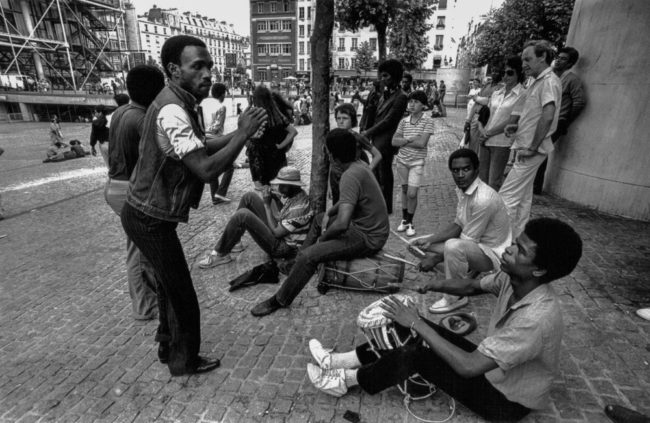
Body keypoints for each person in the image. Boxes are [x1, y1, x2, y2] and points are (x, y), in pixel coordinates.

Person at [307, 217, 582, 422]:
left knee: (417, 354)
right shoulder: (513, 278)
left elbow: (468, 367)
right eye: (515, 242)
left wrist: (415, 321)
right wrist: (434, 285)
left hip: (507, 401)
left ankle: (345, 381)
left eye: (520, 250)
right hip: (493, 368)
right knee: (420, 330)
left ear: (539, 270)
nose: (508, 250)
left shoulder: (537, 318)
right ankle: (337, 361)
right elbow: (472, 287)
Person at [120, 35, 267, 376]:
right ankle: (182, 361)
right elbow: (205, 168)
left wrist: (239, 132)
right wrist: (242, 135)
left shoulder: (180, 101)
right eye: (197, 66)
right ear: (174, 69)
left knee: (170, 288)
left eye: (209, 66)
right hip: (148, 217)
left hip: (147, 213)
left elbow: (204, 144)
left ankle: (166, 345)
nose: (208, 74)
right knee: (182, 294)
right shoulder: (173, 109)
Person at [250, 129, 389, 317]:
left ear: (332, 155)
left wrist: (324, 238)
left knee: (310, 256)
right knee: (318, 219)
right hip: (367, 228)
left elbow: (342, 224)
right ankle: (296, 262)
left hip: (368, 237)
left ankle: (280, 299)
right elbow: (348, 200)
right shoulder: (360, 164)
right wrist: (329, 212)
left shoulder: (350, 175)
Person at [410, 149, 511, 313]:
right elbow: (458, 224)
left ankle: (455, 295)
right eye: (455, 170)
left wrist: (435, 258)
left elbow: (464, 242)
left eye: (466, 169)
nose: (460, 175)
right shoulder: (463, 190)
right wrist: (431, 240)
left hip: (492, 256)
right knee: (414, 245)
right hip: (475, 245)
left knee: (453, 247)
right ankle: (462, 275)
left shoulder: (483, 199)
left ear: (476, 170)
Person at [105, 65, 166, 322]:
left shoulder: (121, 112)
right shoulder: (142, 119)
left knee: (139, 247)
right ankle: (144, 307)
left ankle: (149, 300)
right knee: (139, 250)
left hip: (115, 185)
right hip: (128, 189)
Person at [501, 40, 562, 238]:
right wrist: (515, 126)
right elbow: (534, 114)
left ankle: (498, 245)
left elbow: (548, 115)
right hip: (526, 146)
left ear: (542, 57)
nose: (524, 64)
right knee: (522, 199)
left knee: (506, 198)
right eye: (523, 60)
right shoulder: (538, 81)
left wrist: (533, 147)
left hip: (531, 149)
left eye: (528, 59)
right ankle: (515, 238)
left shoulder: (549, 81)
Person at [197, 166, 314, 269]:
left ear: (291, 186)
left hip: (283, 248)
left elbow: (277, 233)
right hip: (283, 234)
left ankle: (220, 254)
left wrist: (267, 205)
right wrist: (276, 198)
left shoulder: (298, 209)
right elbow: (282, 217)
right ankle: (234, 241)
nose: (279, 188)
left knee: (242, 215)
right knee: (249, 197)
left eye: (282, 186)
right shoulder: (298, 194)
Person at [533, 46, 586, 194]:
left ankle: (536, 186)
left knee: (541, 150)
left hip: (558, 121)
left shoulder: (572, 80)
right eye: (557, 57)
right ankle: (533, 183)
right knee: (538, 148)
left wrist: (565, 120)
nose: (558, 60)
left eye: (563, 59)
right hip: (544, 119)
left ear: (570, 64)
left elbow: (579, 102)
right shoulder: (551, 78)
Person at [361, 60, 408, 214]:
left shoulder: (401, 97)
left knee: (385, 172)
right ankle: (379, 203)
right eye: (381, 76)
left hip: (387, 140)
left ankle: (386, 205)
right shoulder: (384, 94)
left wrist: (369, 132)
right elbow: (375, 115)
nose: (382, 79)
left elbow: (389, 120)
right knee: (377, 172)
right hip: (378, 139)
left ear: (395, 77)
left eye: (386, 76)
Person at [477, 57, 527, 191]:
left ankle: (493, 210)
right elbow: (486, 115)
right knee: (482, 179)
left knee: (494, 182)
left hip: (501, 142)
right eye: (504, 73)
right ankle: (483, 209)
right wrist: (482, 131)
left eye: (510, 73)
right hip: (485, 140)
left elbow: (511, 121)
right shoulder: (497, 93)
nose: (505, 76)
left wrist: (487, 133)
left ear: (519, 74)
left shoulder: (522, 94)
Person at [391, 91, 435, 237]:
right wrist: (410, 139)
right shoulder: (404, 121)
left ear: (423, 105)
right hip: (401, 161)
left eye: (416, 102)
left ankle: (410, 221)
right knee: (404, 190)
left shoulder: (428, 121)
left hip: (417, 162)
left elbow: (422, 143)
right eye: (410, 101)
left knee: (412, 193)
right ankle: (404, 220)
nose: (412, 104)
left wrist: (403, 141)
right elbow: (394, 141)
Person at [328, 103, 381, 204]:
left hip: (351, 178)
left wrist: (367, 170)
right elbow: (331, 161)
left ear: (352, 119)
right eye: (338, 118)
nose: (341, 121)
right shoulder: (333, 137)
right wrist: (329, 187)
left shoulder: (357, 137)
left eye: (345, 118)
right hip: (335, 180)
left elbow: (378, 155)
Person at [246, 86, 297, 191]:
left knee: (266, 191)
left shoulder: (256, 116)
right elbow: (293, 132)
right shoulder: (276, 114)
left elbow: (248, 140)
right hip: (277, 157)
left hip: (261, 160)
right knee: (278, 189)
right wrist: (281, 145)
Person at [202, 82, 234, 205]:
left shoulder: (205, 105)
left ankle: (215, 196)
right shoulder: (221, 107)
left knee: (213, 166)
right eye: (224, 93)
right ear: (221, 94)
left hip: (205, 139)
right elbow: (217, 127)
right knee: (229, 167)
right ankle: (220, 193)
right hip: (215, 139)